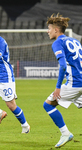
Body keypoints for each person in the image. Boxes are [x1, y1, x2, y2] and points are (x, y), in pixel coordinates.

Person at [43, 13, 82, 148]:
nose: (48, 31)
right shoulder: (75, 41)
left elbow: (63, 66)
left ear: (56, 29)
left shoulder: (58, 42)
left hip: (74, 84)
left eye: (49, 28)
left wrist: (58, 86)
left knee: (48, 104)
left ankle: (65, 133)